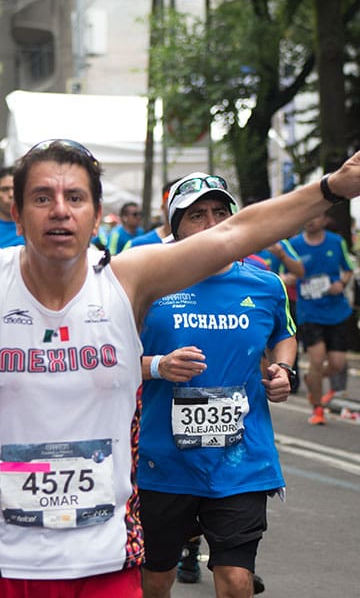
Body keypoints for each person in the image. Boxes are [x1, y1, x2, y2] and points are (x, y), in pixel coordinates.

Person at [0, 80, 360, 596]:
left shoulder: (128, 279)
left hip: (107, 559)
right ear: (18, 214)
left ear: (96, 214)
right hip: (2, 559)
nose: (59, 210)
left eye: (75, 197)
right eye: (42, 197)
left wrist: (332, 188)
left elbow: (235, 235)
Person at [137, 173, 297, 598]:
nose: (212, 224)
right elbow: (106, 361)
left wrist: (283, 369)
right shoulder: (147, 282)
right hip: (161, 462)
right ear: (176, 226)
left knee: (237, 581)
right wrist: (158, 366)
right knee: (155, 581)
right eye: (197, 215)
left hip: (241, 460)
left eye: (220, 213)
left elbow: (283, 334)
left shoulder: (265, 284)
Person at [289, 213, 355, 425]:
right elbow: (283, 273)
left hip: (336, 311)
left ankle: (312, 379)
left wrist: (341, 284)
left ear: (325, 219)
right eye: (307, 216)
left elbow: (348, 270)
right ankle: (317, 408)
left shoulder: (336, 242)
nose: (310, 220)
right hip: (310, 312)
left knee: (337, 363)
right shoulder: (294, 245)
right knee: (316, 360)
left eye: (316, 216)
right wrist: (289, 278)